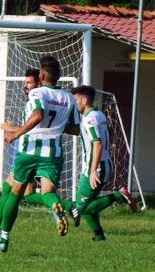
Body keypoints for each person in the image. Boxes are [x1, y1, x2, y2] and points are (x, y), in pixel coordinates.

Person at [0, 55, 79, 252]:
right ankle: (56, 206)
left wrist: (15, 134)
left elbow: (38, 115)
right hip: (53, 153)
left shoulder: (37, 93)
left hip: (30, 150)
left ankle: (4, 238)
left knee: (16, 192)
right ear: (58, 77)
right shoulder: (69, 98)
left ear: (41, 76)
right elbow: (75, 129)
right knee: (48, 192)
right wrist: (58, 126)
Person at [57, 85, 138, 241]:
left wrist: (93, 170)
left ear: (84, 100)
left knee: (79, 208)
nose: (74, 104)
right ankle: (99, 235)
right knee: (87, 205)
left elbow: (98, 143)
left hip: (95, 169)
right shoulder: (99, 115)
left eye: (76, 100)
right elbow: (106, 134)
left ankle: (119, 196)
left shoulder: (89, 119)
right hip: (106, 164)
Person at [0, 68, 46, 231]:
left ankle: (66, 205)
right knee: (9, 188)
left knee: (26, 194)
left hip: (33, 152)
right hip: (28, 150)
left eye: (29, 83)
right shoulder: (33, 101)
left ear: (39, 83)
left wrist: (11, 129)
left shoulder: (38, 102)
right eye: (25, 82)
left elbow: (35, 129)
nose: (25, 86)